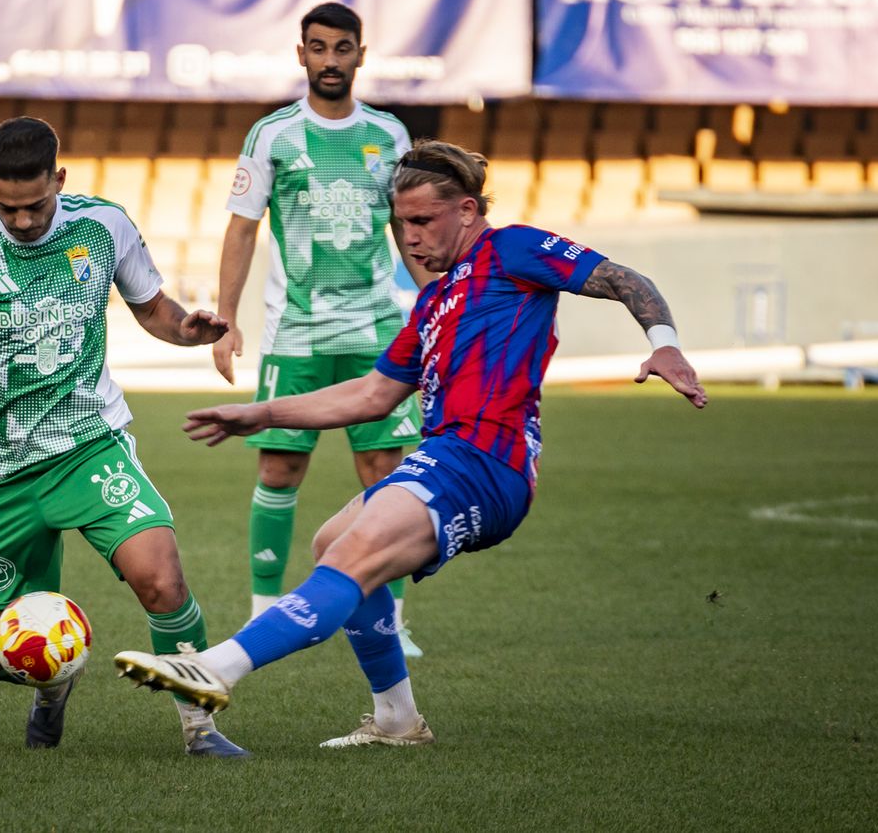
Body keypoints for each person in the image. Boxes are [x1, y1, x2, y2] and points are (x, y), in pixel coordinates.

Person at [115, 140, 707, 748]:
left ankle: (216, 668)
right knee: (332, 541)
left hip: (486, 461)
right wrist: (263, 414)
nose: (411, 237)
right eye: (402, 224)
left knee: (354, 555)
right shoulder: (431, 303)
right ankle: (397, 719)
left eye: (423, 221)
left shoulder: (513, 249)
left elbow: (622, 278)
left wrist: (663, 341)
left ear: (469, 211)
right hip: (447, 455)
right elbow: (372, 394)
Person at [0, 116, 248, 758]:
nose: (19, 220)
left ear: (58, 180)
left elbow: (153, 308)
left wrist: (190, 329)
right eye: (4, 206)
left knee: (162, 580)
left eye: (34, 204)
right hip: (0, 473)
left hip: (90, 446)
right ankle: (52, 685)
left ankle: (200, 729)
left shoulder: (104, 226)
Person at [212, 1, 430, 656]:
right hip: (296, 334)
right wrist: (225, 321)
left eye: (342, 48)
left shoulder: (391, 136)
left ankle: (391, 618)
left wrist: (438, 307)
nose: (330, 60)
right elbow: (243, 226)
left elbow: (409, 228)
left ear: (361, 54)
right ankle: (263, 609)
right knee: (279, 469)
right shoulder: (273, 135)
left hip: (375, 333)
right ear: (300, 53)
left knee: (385, 473)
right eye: (318, 47)